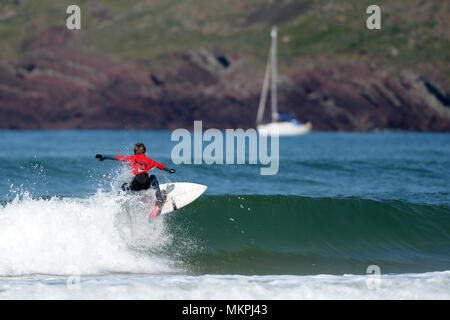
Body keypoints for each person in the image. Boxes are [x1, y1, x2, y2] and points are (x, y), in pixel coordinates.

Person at [95, 142, 175, 217]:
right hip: (146, 184)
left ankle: (121, 203)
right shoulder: (149, 161)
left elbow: (115, 157)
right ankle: (159, 199)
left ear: (134, 153)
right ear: (145, 153)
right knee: (153, 177)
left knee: (124, 186)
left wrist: (103, 157)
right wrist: (170, 170)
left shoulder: (130, 158)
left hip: (135, 186)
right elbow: (161, 167)